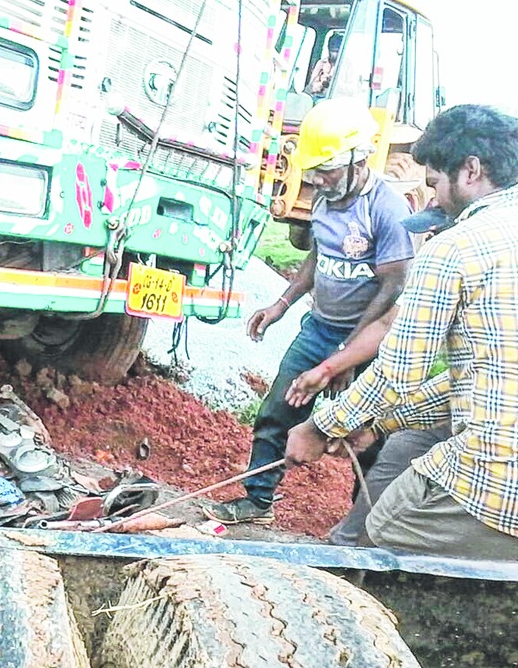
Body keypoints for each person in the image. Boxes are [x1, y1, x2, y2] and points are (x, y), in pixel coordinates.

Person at [286, 104, 518, 559]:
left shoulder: (455, 246)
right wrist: (378, 422)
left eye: (434, 183)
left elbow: (398, 373)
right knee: (406, 446)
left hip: (499, 483)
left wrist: (319, 427)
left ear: (470, 170)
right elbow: (477, 382)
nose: (436, 200)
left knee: (385, 530)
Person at [202, 98, 414, 525]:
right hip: (318, 328)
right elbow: (317, 258)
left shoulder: (387, 210)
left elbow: (394, 284)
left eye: (326, 169)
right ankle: (257, 503)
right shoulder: (325, 200)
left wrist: (348, 355)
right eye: (312, 170)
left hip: (368, 341)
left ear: (358, 158)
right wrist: (281, 304)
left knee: (365, 437)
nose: (317, 179)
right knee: (277, 410)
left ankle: (363, 526)